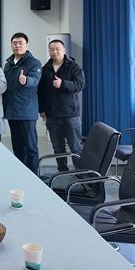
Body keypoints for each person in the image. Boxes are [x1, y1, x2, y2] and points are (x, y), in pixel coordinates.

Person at [38, 39, 86, 172]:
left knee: (75, 147)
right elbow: (41, 91)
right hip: (52, 115)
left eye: (57, 49)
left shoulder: (74, 67)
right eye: (51, 49)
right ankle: (62, 173)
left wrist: (63, 84)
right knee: (58, 148)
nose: (54, 52)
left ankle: (81, 175)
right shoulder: (45, 69)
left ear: (64, 50)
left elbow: (80, 85)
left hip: (70, 115)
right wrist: (41, 109)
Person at [3, 33, 42, 172]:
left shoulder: (34, 63)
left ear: (27, 45)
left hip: (27, 112)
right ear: (11, 45)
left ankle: (34, 175)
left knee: (30, 147)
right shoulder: (8, 64)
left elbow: (35, 80)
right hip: (12, 111)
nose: (17, 45)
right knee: (17, 146)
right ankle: (21, 173)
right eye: (15, 43)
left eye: (21, 43)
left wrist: (26, 81)